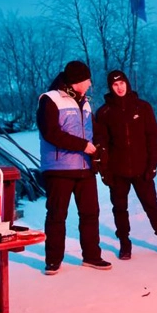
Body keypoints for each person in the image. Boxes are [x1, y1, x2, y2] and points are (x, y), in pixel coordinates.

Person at [37, 60, 111, 275]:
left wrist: (100, 148)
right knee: (56, 215)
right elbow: (50, 133)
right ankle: (53, 260)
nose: (89, 83)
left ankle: (91, 256)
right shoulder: (50, 99)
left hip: (84, 167)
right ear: (77, 80)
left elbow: (94, 131)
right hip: (59, 169)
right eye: (87, 79)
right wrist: (82, 145)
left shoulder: (85, 103)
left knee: (90, 213)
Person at [94, 69, 157, 260]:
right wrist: (104, 171)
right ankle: (124, 244)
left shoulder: (143, 108)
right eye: (115, 85)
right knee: (119, 209)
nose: (119, 87)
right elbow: (102, 144)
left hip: (142, 170)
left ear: (127, 83)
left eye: (121, 83)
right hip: (117, 171)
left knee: (152, 207)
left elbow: (153, 139)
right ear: (110, 87)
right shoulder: (104, 112)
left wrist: (152, 165)